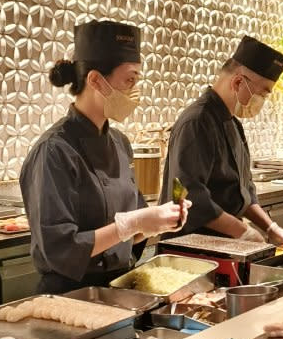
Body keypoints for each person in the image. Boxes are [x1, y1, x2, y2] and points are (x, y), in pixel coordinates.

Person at [20, 20, 187, 294]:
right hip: (69, 296)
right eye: (129, 80)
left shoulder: (120, 143)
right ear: (96, 80)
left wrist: (158, 222)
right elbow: (59, 249)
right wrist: (132, 223)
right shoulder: (54, 151)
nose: (136, 91)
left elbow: (133, 234)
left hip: (118, 289)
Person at [160, 36, 283, 246]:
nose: (262, 102)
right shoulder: (197, 121)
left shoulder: (234, 124)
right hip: (191, 246)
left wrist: (270, 227)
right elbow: (187, 194)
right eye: (263, 94)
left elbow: (244, 190)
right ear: (238, 82)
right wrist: (243, 231)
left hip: (225, 245)